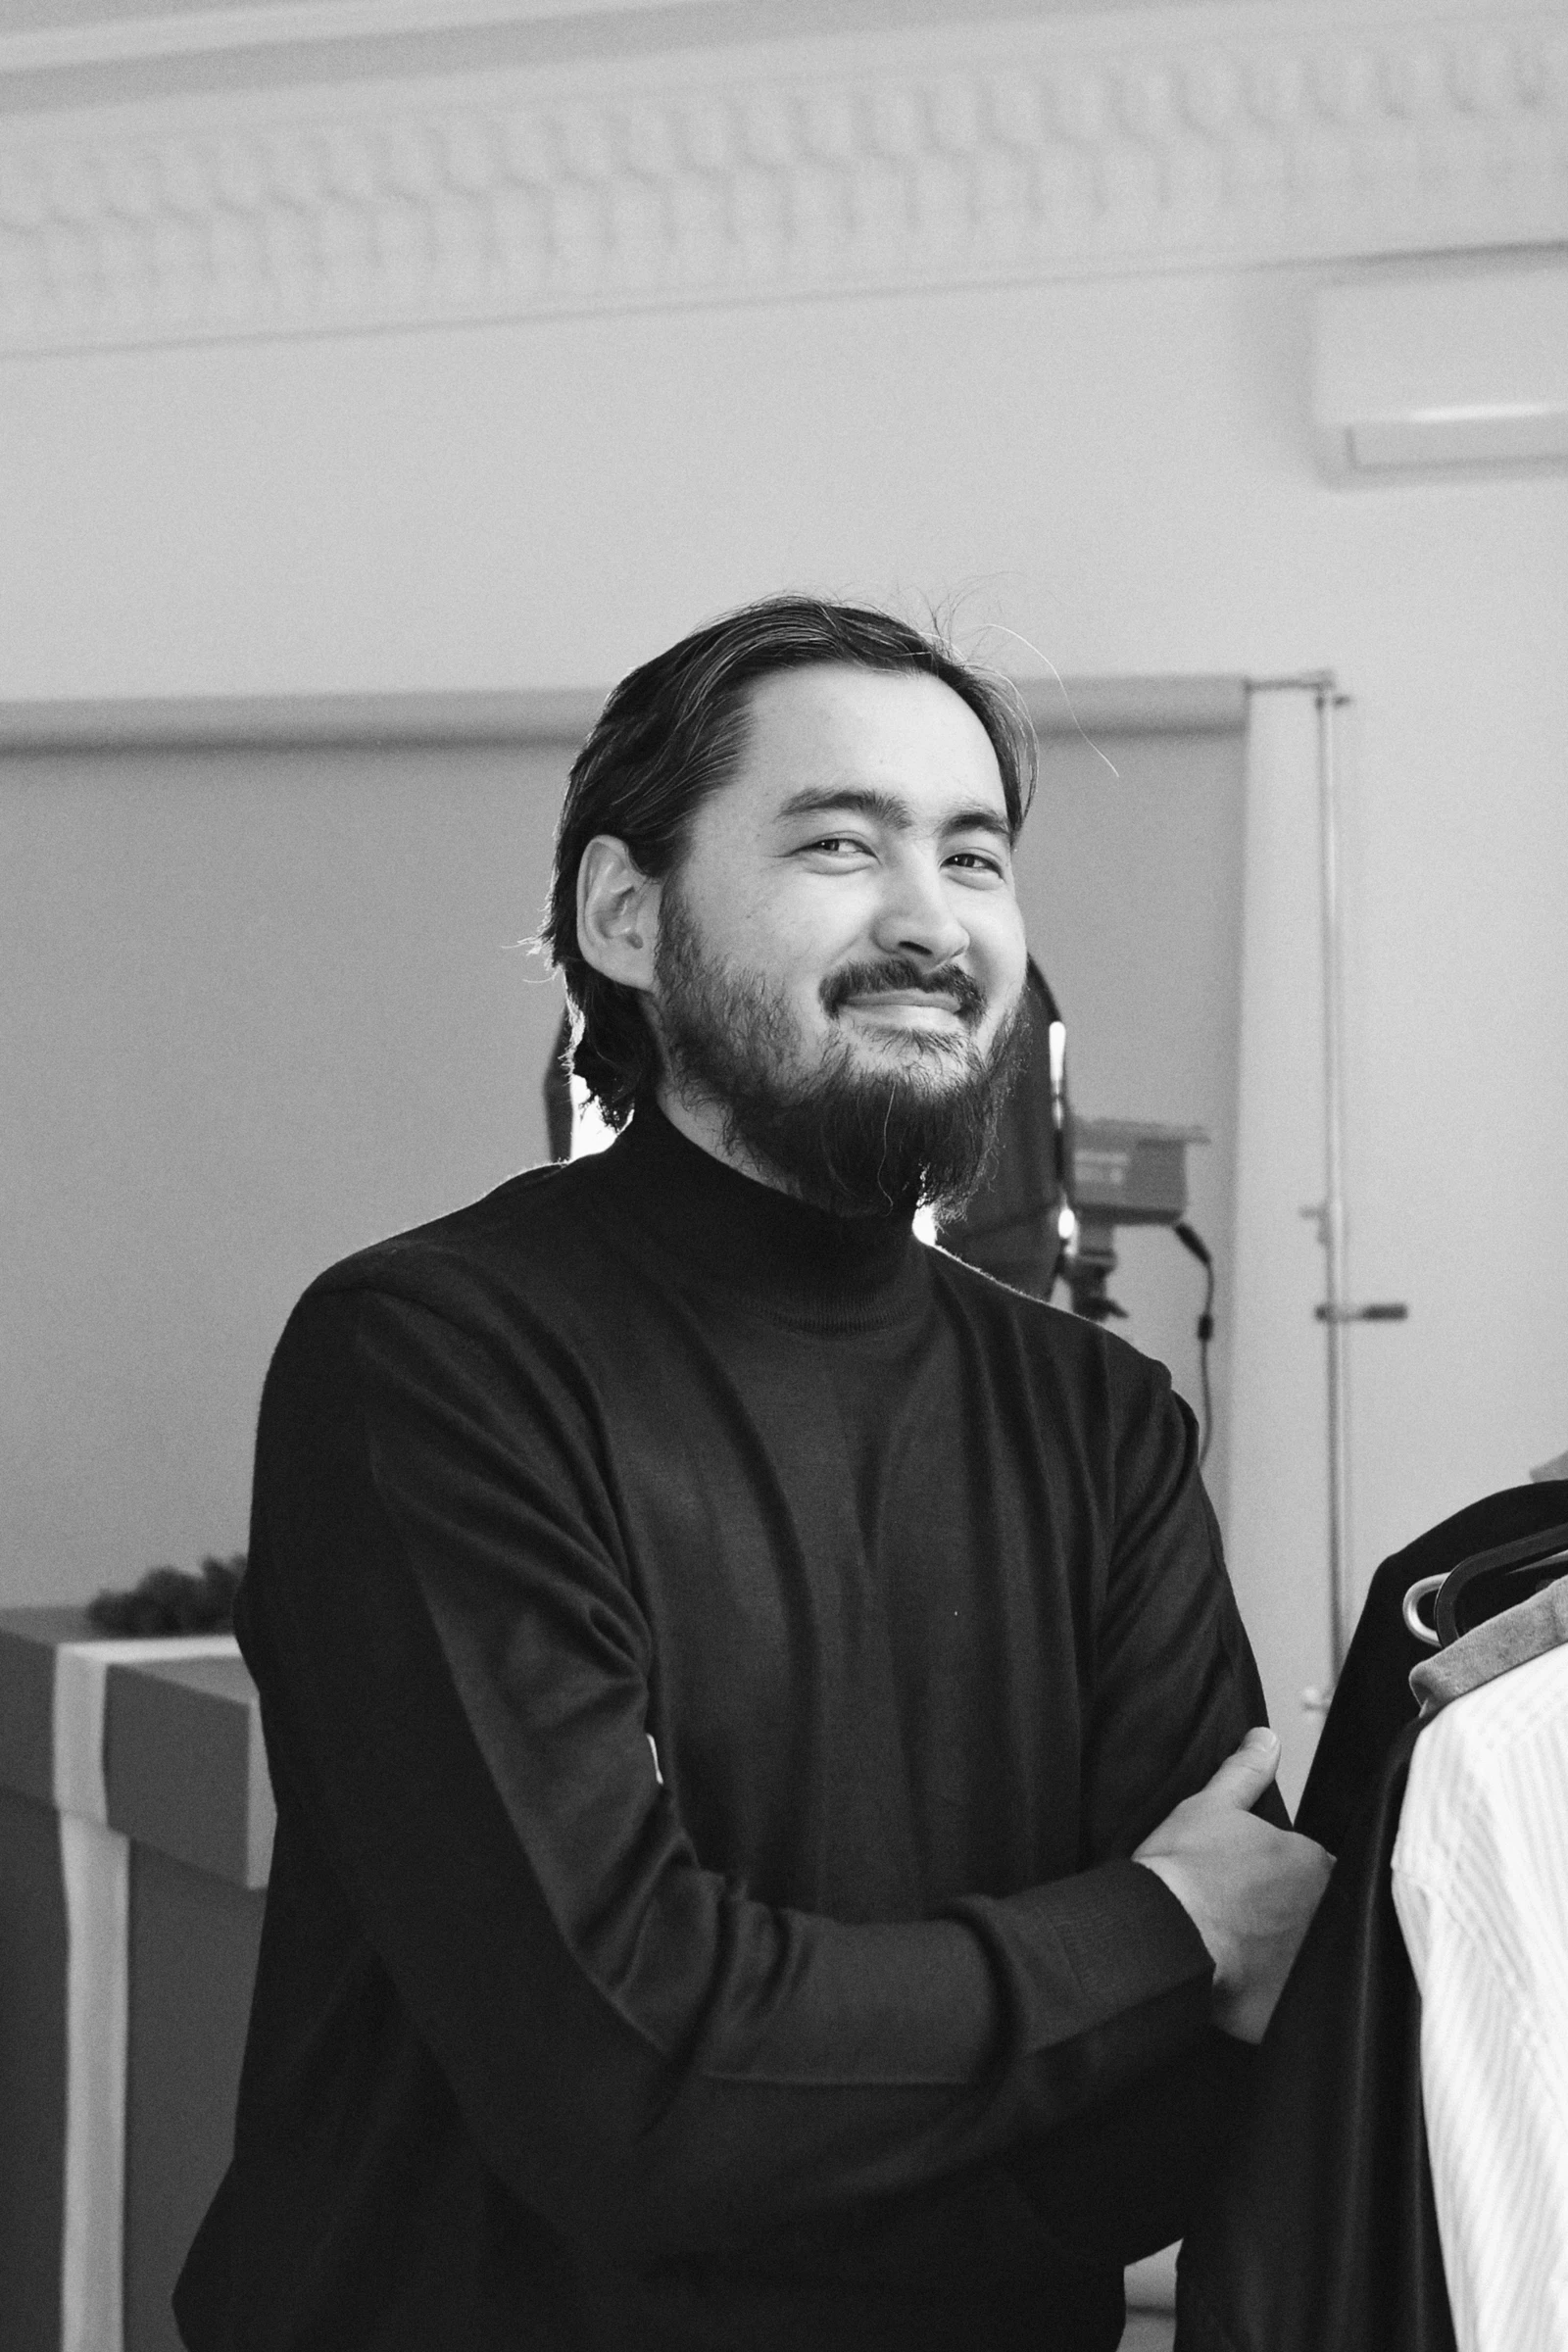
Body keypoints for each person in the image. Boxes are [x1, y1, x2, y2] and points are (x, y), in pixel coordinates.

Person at [175, 596, 1330, 2352]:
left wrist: (793, 2122)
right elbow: (624, 2068)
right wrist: (1163, 1925)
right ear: (626, 917)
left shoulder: (1103, 1418)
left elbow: (1203, 2097)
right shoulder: (431, 1361)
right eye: (839, 845)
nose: (930, 921)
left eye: (975, 856)